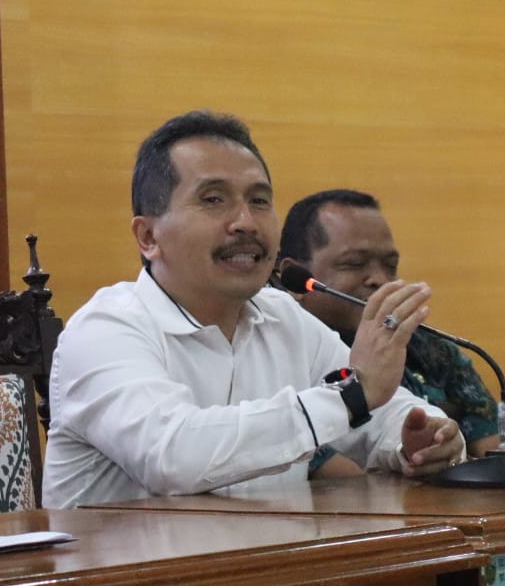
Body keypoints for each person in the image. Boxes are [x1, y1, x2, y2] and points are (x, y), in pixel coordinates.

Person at [41, 110, 464, 508]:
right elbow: (174, 458)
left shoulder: (284, 317)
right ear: (148, 236)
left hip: (268, 572)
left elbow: (386, 415)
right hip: (130, 581)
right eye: (213, 199)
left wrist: (425, 437)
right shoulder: (104, 330)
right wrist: (351, 396)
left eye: (260, 201)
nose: (246, 222)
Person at [277, 188, 500, 477]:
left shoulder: (428, 347)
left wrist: (441, 441)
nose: (380, 280)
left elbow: (495, 451)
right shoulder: (280, 350)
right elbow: (351, 482)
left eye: (390, 266)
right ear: (295, 278)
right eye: (355, 264)